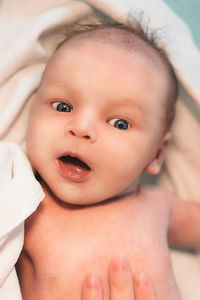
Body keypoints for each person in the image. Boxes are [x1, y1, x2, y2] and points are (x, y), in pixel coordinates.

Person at [13, 19, 200, 299]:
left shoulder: (158, 206)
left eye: (120, 123)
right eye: (63, 106)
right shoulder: (25, 202)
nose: (82, 128)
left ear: (157, 154)